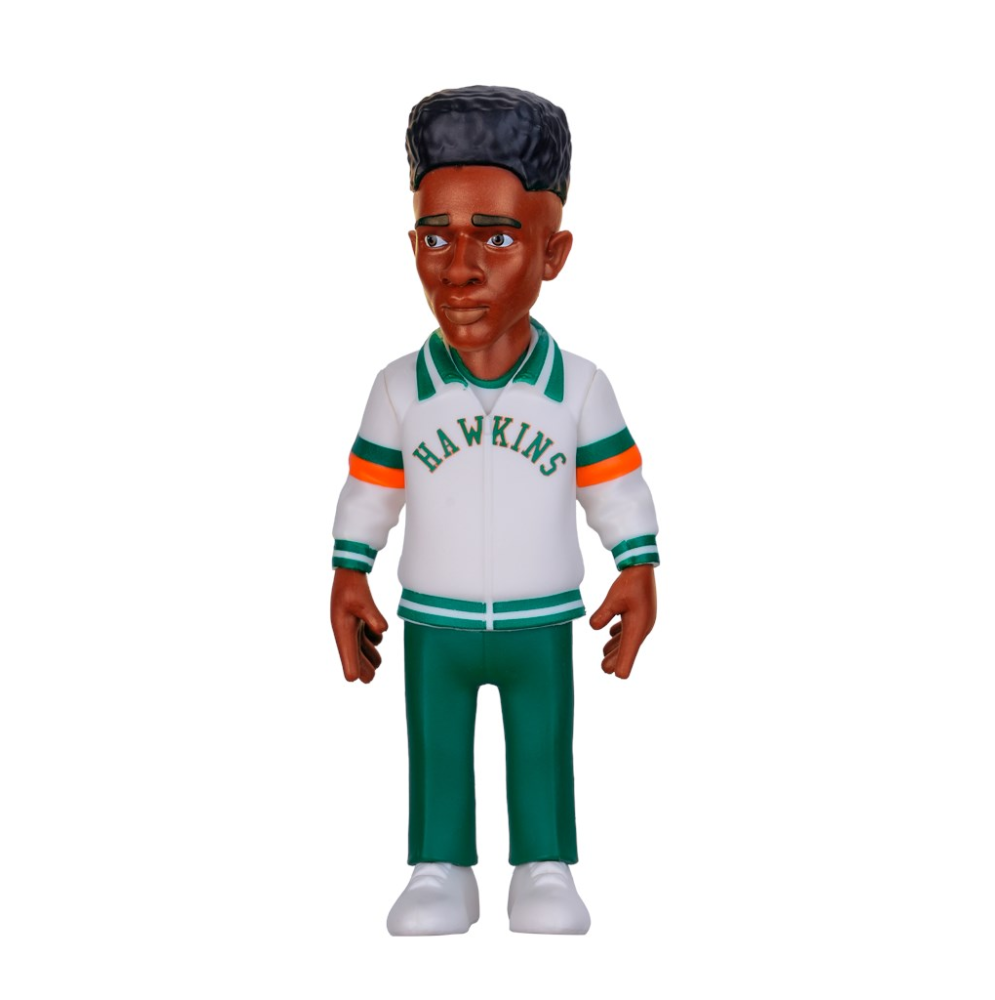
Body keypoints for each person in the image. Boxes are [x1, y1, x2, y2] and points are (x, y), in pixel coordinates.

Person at [331, 85, 659, 935]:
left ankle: (544, 865)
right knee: (435, 744)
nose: (461, 267)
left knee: (542, 744)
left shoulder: (577, 388)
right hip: (433, 619)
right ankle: (439, 867)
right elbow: (371, 490)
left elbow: (615, 489)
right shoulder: (400, 389)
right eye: (437, 237)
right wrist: (349, 573)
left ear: (553, 253)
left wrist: (638, 566)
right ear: (413, 245)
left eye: (499, 237)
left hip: (540, 617)